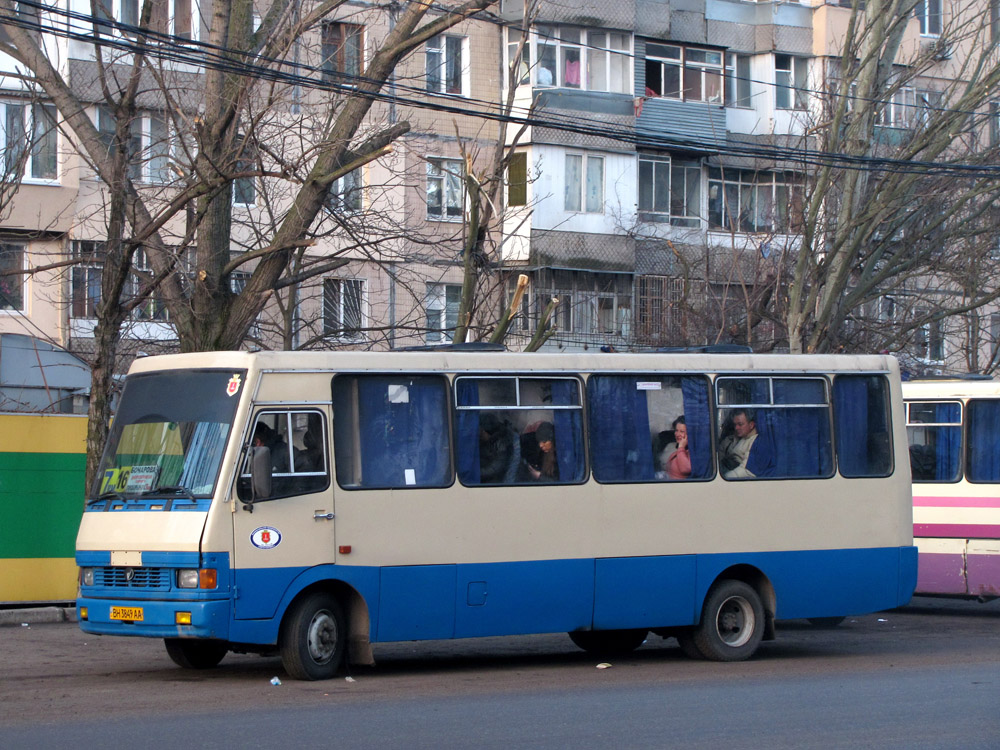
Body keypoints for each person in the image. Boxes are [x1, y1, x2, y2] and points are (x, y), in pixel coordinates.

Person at [477, 413, 519, 484]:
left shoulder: (501, 443)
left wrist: (477, 472)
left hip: (497, 480)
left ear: (487, 432)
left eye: (481, 433)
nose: (479, 436)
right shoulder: (487, 441)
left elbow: (496, 468)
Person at [718, 409, 758, 479]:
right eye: (735, 425)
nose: (736, 428)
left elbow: (746, 469)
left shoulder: (755, 442)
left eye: (740, 424)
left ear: (751, 425)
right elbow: (718, 457)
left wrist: (725, 478)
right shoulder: (729, 440)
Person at [657, 416, 691, 480]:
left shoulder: (693, 452)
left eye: (682, 431)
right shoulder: (671, 446)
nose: (677, 434)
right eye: (676, 430)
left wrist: (681, 447)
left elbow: (685, 469)